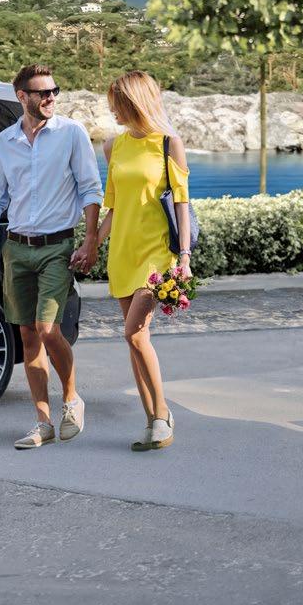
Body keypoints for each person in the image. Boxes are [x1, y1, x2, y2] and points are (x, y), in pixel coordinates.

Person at [0, 64, 102, 450]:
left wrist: (90, 241)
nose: (51, 98)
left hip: (57, 247)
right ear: (22, 96)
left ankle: (72, 399)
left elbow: (91, 190)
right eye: (43, 93)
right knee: (27, 336)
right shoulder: (2, 144)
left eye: (54, 91)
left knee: (47, 329)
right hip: (16, 249)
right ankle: (43, 422)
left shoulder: (72, 134)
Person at [95, 71, 192, 451]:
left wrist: (184, 258)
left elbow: (182, 203)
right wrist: (91, 245)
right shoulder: (112, 147)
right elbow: (114, 206)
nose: (112, 111)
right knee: (136, 340)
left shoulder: (169, 144)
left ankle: (162, 413)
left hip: (156, 254)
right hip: (123, 253)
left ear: (135, 103)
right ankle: (153, 420)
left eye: (117, 104)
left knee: (133, 333)